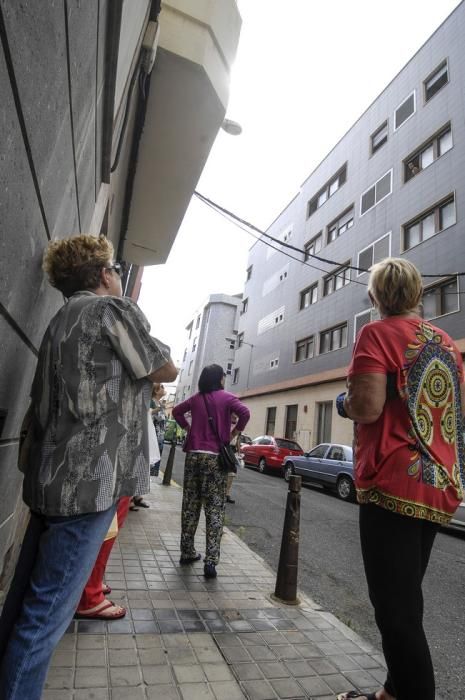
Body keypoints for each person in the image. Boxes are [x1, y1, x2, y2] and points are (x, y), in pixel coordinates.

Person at [0, 234, 177, 700]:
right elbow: (166, 368)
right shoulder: (111, 311)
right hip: (88, 484)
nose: (119, 275)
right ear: (104, 274)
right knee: (45, 618)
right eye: (115, 269)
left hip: (46, 479)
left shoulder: (59, 319)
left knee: (23, 604)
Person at [336, 258, 465, 700]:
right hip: (438, 483)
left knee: (397, 613)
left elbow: (367, 407)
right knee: (406, 597)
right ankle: (392, 691)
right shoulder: (446, 342)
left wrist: (342, 401)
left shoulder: (376, 333)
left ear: (375, 297)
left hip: (393, 483)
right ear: (418, 294)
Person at [172, 364, 250, 578]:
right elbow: (245, 413)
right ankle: (211, 562)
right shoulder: (227, 398)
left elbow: (176, 411)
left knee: (190, 505)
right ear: (220, 379)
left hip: (193, 456)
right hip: (215, 458)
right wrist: (233, 433)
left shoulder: (196, 399)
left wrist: (189, 429)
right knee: (215, 508)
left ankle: (187, 552)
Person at [150, 382, 167, 476]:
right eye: (161, 387)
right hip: (154, 434)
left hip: (160, 435)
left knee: (156, 458)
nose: (163, 388)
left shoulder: (159, 403)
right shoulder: (152, 402)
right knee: (151, 459)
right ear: (156, 391)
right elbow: (156, 417)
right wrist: (160, 409)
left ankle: (151, 476)